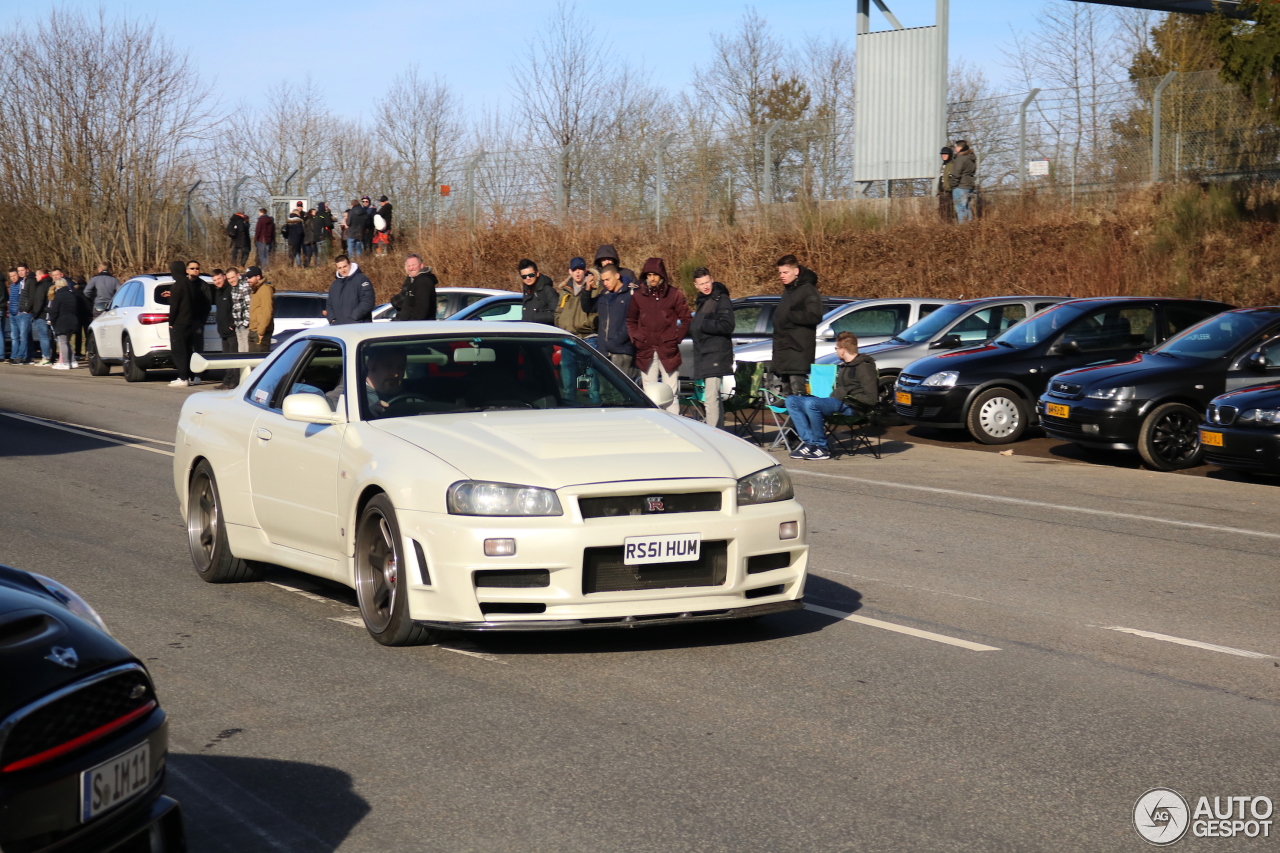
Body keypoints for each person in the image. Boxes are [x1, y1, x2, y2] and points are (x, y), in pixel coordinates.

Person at [785, 331, 878, 460]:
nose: (836, 351)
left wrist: (846, 392)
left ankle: (822, 447)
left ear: (843, 350)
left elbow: (872, 399)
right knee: (792, 400)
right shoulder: (845, 366)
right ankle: (809, 442)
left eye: (837, 349)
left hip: (853, 406)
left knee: (811, 404)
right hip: (838, 401)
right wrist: (841, 392)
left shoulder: (864, 367)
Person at [625, 257, 690, 413]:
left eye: (655, 274)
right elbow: (630, 320)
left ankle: (675, 429)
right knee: (649, 395)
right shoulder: (638, 296)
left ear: (662, 275)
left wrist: (675, 338)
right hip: (645, 350)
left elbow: (687, 319)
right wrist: (637, 338)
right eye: (649, 274)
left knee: (671, 394)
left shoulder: (674, 294)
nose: (652, 278)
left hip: (668, 350)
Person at [771, 254, 823, 396]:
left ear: (796, 271)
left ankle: (803, 419)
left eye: (785, 272)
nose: (782, 276)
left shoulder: (808, 290)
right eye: (780, 272)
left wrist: (790, 316)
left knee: (798, 398)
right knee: (788, 399)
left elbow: (815, 315)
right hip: (784, 354)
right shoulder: (788, 290)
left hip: (798, 354)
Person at [689, 267, 735, 429]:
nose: (705, 286)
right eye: (701, 284)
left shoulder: (720, 299)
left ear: (712, 279)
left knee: (711, 398)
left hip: (716, 355)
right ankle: (720, 433)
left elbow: (727, 325)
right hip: (706, 355)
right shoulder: (702, 300)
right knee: (713, 397)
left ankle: (713, 433)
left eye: (707, 282)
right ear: (696, 285)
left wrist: (702, 324)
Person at [555, 257, 600, 403]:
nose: (578, 273)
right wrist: (560, 324)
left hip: (589, 339)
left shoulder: (594, 288)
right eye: (575, 270)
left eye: (580, 269)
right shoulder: (565, 291)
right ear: (570, 271)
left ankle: (597, 409)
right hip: (568, 339)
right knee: (568, 382)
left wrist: (588, 323)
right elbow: (558, 312)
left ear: (585, 270)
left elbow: (597, 312)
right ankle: (569, 408)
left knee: (592, 384)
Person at [580, 265, 635, 378]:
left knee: (620, 392)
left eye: (607, 279)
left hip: (621, 352)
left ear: (617, 276)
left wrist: (616, 341)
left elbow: (631, 323)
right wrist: (587, 289)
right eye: (603, 280)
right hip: (604, 352)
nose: (605, 283)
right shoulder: (604, 295)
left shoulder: (630, 295)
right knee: (604, 392)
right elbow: (587, 307)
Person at [166, 260, 210, 387]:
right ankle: (190, 375)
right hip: (192, 323)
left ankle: (183, 377)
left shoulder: (177, 286)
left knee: (179, 351)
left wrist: (171, 322)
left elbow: (174, 307)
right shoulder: (191, 285)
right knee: (189, 350)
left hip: (179, 323)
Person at [358, 347, 407, 418]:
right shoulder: (349, 395)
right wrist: (368, 414)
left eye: (401, 367)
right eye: (388, 366)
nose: (396, 374)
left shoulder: (411, 390)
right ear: (371, 365)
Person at [327, 255, 374, 325]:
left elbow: (368, 301)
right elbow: (329, 304)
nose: (343, 270)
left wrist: (354, 317)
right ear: (337, 269)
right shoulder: (335, 284)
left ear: (350, 265)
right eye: (340, 268)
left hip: (359, 325)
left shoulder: (361, 279)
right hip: (339, 327)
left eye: (345, 266)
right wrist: (332, 319)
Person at [47, 274, 80, 370]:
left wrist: (50, 319)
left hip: (62, 322)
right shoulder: (72, 295)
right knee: (67, 342)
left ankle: (65, 363)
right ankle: (73, 361)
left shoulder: (59, 296)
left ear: (57, 286)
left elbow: (55, 310)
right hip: (73, 321)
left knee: (62, 342)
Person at [393, 254, 438, 321]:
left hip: (417, 328)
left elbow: (422, 310)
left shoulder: (423, 282)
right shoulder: (413, 281)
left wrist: (412, 325)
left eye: (413, 265)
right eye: (408, 266)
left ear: (421, 265)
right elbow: (398, 303)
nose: (411, 268)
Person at [23, 269, 54, 365]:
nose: (35, 277)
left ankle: (46, 357)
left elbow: (39, 301)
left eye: (37, 275)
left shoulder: (41, 286)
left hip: (41, 315)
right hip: (49, 314)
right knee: (50, 337)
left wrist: (35, 314)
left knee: (43, 337)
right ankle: (49, 357)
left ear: (41, 275)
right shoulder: (50, 284)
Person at [518, 259, 557, 324]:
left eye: (531, 275)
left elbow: (557, 314)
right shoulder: (527, 292)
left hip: (545, 332)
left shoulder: (548, 290)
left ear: (537, 273)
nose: (528, 278)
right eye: (524, 276)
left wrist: (533, 317)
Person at [246, 266, 274, 353]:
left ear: (258, 277)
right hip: (253, 329)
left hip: (260, 332)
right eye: (247, 277)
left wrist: (261, 332)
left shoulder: (265, 289)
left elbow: (267, 312)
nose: (248, 280)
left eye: (250, 277)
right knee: (252, 361)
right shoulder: (255, 290)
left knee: (260, 361)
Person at [950, 139, 977, 224]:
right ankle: (970, 227)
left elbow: (956, 174)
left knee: (960, 208)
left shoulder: (960, 159)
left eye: (956, 147)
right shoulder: (971, 158)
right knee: (967, 208)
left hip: (960, 186)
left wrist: (952, 185)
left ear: (960, 147)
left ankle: (962, 229)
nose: (955, 149)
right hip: (969, 186)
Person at [226, 267, 252, 353]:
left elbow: (249, 305)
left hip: (245, 324)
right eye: (228, 278)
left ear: (238, 275)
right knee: (241, 349)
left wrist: (246, 323)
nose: (231, 280)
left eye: (232, 277)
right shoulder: (233, 288)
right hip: (237, 323)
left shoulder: (244, 286)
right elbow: (236, 306)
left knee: (246, 349)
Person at [10, 265, 31, 364]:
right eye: (11, 276)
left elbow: (21, 299)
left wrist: (20, 310)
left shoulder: (21, 284)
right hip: (12, 313)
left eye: (14, 275)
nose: (13, 278)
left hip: (19, 313)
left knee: (22, 335)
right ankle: (14, 355)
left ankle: (23, 356)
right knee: (14, 336)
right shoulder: (12, 286)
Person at [937, 147, 956, 223]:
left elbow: (953, 178)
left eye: (945, 155)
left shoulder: (952, 164)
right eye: (942, 155)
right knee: (942, 212)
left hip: (949, 191)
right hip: (942, 192)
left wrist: (950, 188)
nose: (943, 156)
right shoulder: (943, 165)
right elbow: (941, 178)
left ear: (950, 155)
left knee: (948, 211)